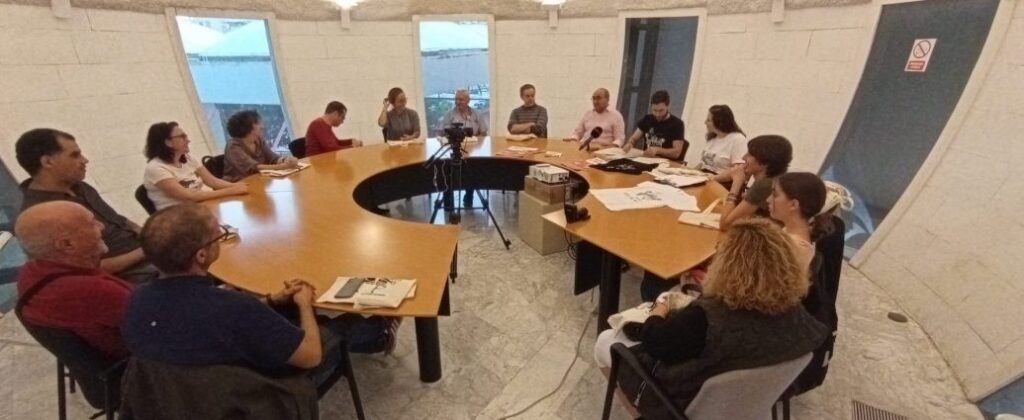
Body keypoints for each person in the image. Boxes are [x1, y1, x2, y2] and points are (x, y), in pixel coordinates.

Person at [121, 204, 393, 390]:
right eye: (217, 236)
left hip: (185, 400)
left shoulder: (137, 299)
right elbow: (310, 357)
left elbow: (215, 322)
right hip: (258, 393)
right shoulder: (234, 307)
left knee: (287, 312)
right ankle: (380, 332)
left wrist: (273, 301)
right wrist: (304, 305)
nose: (221, 237)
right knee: (342, 322)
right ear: (201, 256)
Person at [593, 218, 827, 418]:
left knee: (605, 341)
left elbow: (655, 342)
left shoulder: (705, 318)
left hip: (687, 402)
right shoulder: (798, 316)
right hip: (751, 403)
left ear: (728, 264)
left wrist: (659, 309)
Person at [15, 128, 156, 283]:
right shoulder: (42, 216)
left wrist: (148, 234)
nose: (85, 160)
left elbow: (117, 220)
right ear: (47, 162)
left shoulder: (80, 186)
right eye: (75, 155)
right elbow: (88, 270)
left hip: (147, 254)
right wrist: (148, 250)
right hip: (128, 276)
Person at [15, 201, 135, 358]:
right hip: (140, 360)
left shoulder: (30, 271)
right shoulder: (92, 290)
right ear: (67, 244)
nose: (102, 226)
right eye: (92, 223)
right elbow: (157, 321)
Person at [144, 121, 248, 211]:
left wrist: (238, 186)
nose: (188, 140)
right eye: (182, 137)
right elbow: (190, 197)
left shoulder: (188, 158)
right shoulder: (156, 168)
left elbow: (213, 181)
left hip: (200, 206)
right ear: (168, 142)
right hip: (178, 214)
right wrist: (231, 191)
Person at [718, 134, 793, 231]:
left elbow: (725, 225)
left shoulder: (765, 185)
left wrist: (736, 183)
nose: (743, 157)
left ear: (764, 163)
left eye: (749, 155)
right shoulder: (774, 180)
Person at [769, 172, 831, 270]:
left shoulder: (795, 248)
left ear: (793, 204)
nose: (768, 200)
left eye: (775, 195)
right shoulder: (791, 231)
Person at [438, 88, 488, 208]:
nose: (457, 102)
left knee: (471, 169)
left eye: (460, 99)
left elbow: (483, 132)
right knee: (447, 169)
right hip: (453, 148)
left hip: (472, 149)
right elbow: (442, 132)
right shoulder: (449, 114)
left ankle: (469, 195)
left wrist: (477, 140)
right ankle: (448, 202)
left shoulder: (477, 114)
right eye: (456, 99)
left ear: (468, 100)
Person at [222, 110, 299, 182]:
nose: (262, 126)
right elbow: (253, 168)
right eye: (257, 123)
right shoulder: (233, 146)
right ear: (247, 127)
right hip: (238, 184)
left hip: (260, 180)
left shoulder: (258, 140)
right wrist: (283, 167)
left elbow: (273, 158)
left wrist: (286, 160)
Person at [622, 90, 686, 160]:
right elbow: (634, 138)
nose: (657, 114)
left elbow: (676, 153)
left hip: (666, 162)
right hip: (647, 159)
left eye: (661, 110)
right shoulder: (647, 119)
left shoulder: (677, 124)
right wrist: (630, 143)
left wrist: (657, 150)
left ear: (668, 106)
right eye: (654, 110)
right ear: (651, 107)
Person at [698, 104, 747, 183]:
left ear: (719, 122)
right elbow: (703, 164)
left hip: (721, 182)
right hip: (705, 177)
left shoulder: (738, 139)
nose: (705, 122)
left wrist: (712, 178)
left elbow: (738, 171)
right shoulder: (713, 137)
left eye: (708, 120)